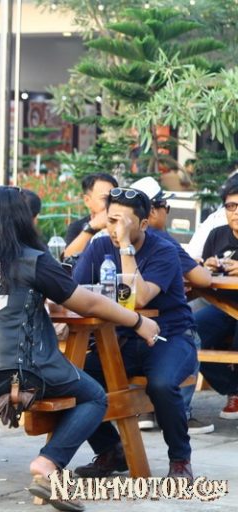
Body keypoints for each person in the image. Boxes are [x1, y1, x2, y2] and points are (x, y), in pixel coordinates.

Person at [0, 187, 159, 507]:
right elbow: (88, 302)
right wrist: (136, 321)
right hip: (14, 369)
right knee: (93, 396)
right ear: (23, 220)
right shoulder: (31, 260)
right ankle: (48, 464)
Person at [73, 186, 198, 481]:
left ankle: (180, 459)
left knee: (162, 385)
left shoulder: (164, 250)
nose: (115, 229)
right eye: (111, 220)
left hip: (170, 337)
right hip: (121, 341)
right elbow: (74, 293)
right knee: (71, 380)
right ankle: (111, 450)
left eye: (124, 222)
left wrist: (126, 246)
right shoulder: (98, 248)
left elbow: (139, 298)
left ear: (143, 224)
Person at [128, 177, 213, 435]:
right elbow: (203, 279)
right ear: (153, 211)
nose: (167, 211)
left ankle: (145, 411)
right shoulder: (162, 242)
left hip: (127, 327)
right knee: (191, 336)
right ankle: (181, 414)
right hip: (164, 327)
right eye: (166, 206)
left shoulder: (113, 240)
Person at [193, 178, 238, 422]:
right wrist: (207, 267)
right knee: (187, 332)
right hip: (222, 306)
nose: (236, 212)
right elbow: (200, 274)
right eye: (231, 206)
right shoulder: (217, 235)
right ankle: (233, 389)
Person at [63, 173, 118, 259]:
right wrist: (91, 228)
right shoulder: (77, 227)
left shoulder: (123, 224)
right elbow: (67, 258)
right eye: (105, 199)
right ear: (87, 200)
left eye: (114, 198)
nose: (111, 203)